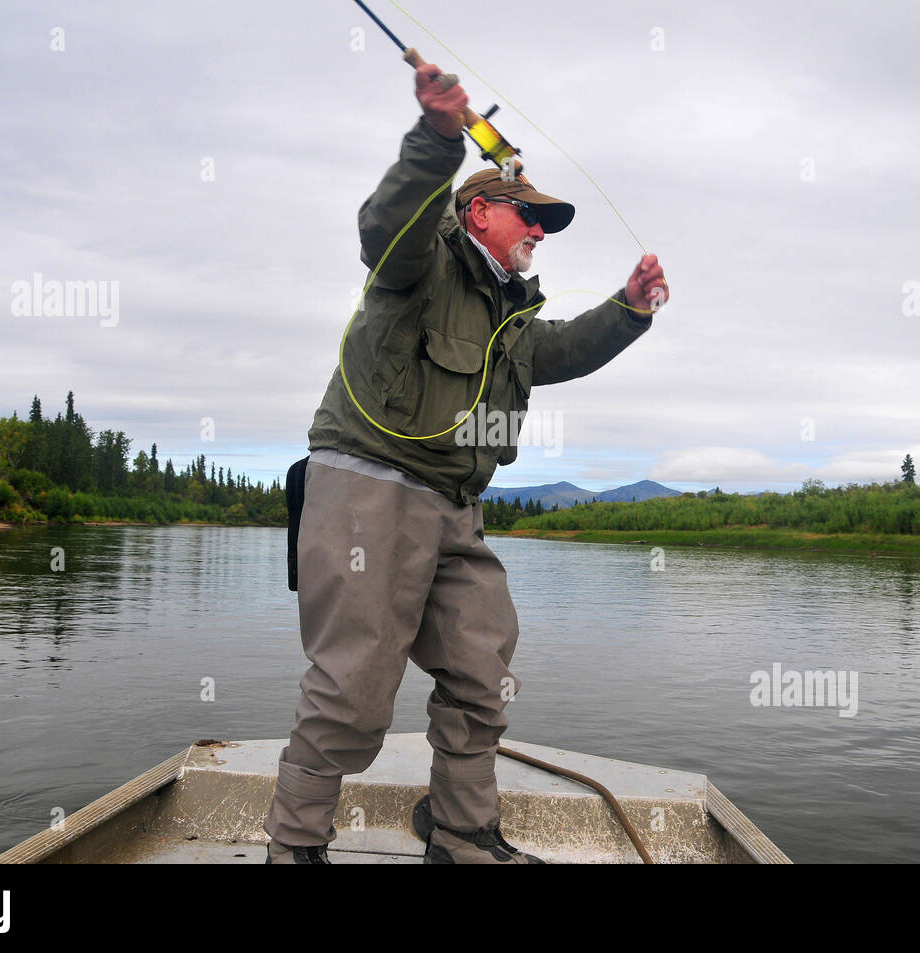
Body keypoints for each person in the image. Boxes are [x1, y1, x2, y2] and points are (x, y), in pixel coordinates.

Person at [264, 62, 668, 864]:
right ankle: (294, 843)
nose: (540, 231)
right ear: (478, 211)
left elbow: (566, 350)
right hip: (366, 488)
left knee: (484, 670)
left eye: (545, 223)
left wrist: (628, 310)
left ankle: (460, 834)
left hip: (455, 506)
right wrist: (438, 137)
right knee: (352, 689)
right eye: (530, 215)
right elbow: (385, 225)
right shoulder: (418, 263)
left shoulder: (513, 316)